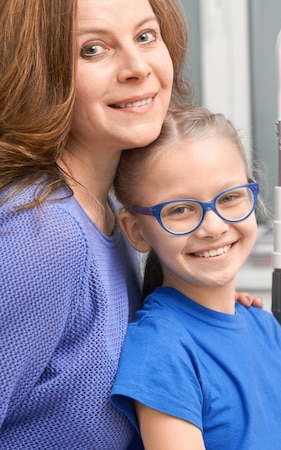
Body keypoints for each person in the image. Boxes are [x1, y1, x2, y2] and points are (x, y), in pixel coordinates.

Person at [0, 1, 259, 448]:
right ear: (40, 73)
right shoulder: (41, 232)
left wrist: (197, 304)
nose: (137, 67)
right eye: (93, 50)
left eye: (145, 36)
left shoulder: (105, 210)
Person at [109, 107, 281, 450]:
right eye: (179, 209)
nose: (214, 227)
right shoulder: (161, 350)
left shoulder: (264, 328)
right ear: (136, 230)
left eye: (230, 197)